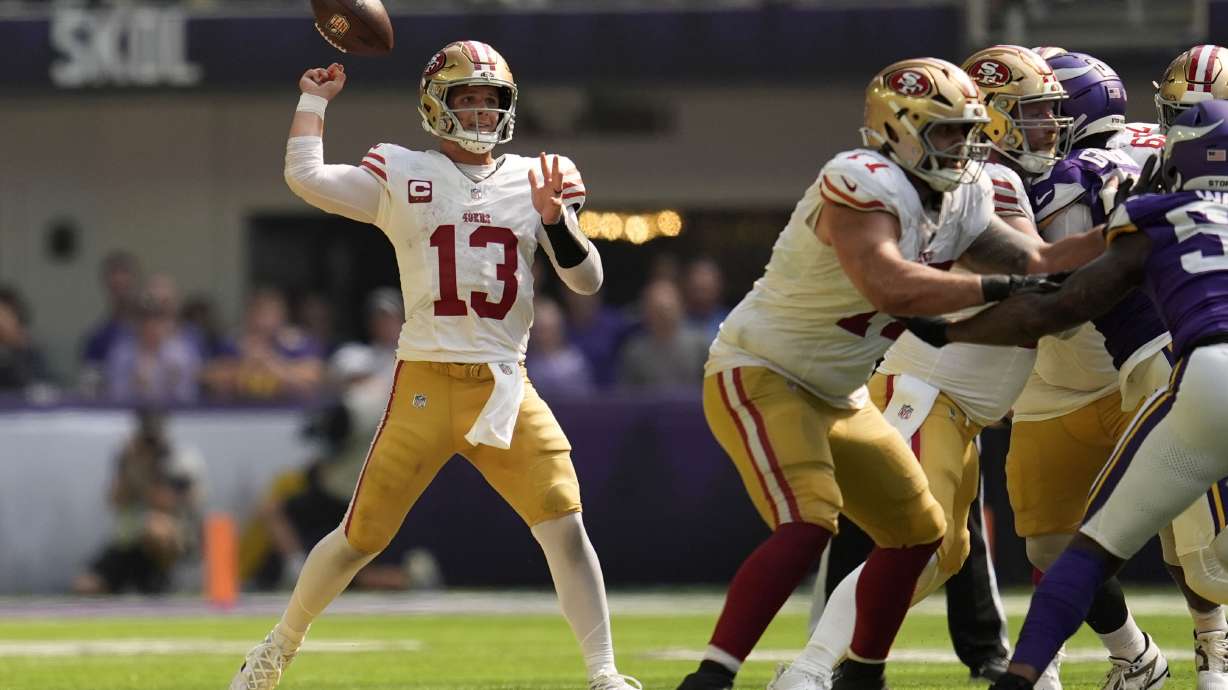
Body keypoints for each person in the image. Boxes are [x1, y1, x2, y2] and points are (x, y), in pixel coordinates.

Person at [676, 56, 1102, 690]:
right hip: (764, 370)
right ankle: (712, 677)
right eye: (947, 131)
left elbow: (1040, 258)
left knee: (919, 533)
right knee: (808, 523)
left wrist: (1134, 227)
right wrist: (998, 285)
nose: (962, 146)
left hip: (839, 393)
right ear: (897, 129)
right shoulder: (860, 179)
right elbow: (887, 281)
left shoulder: (962, 198)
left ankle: (862, 676)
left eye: (966, 130)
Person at [228, 41, 640, 690]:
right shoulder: (402, 172)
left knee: (563, 522)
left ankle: (604, 673)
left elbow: (586, 280)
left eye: (491, 99)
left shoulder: (540, 175)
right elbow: (305, 177)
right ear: (435, 103)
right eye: (467, 97)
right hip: (423, 381)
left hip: (504, 385)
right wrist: (313, 101)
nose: (480, 111)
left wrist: (558, 223)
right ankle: (277, 648)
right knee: (360, 537)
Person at [900, 100, 1228, 690]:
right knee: (1180, 554)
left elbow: (1064, 307)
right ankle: (1155, 661)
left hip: (1200, 371)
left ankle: (1020, 677)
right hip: (1162, 373)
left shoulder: (1155, 210)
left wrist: (952, 329)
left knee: (1103, 547)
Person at [774, 44, 1069, 690]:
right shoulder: (984, 181)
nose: (1046, 129)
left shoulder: (963, 182)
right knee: (918, 544)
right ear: (985, 117)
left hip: (951, 401)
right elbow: (1030, 279)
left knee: (948, 551)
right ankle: (810, 669)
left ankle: (836, 661)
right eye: (1032, 114)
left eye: (1051, 115)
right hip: (927, 390)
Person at [73, 409, 203, 594]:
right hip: (129, 539)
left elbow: (167, 500)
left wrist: (142, 472)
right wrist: (128, 466)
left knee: (155, 528)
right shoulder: (128, 458)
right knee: (86, 585)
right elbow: (115, 500)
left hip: (171, 541)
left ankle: (161, 582)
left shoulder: (177, 459)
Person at [617, 280, 709, 390]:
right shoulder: (635, 352)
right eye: (657, 310)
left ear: (680, 308)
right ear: (646, 312)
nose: (663, 316)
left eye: (667, 309)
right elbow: (625, 396)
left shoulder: (700, 345)